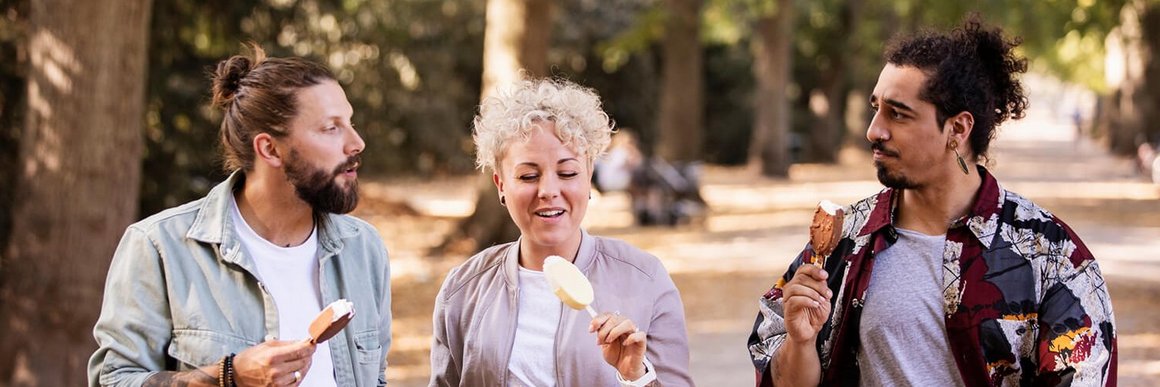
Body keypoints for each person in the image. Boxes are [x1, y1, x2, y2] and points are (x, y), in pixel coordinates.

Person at [747, 17, 1117, 386]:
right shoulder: (848, 240)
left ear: (958, 129)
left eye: (898, 114)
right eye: (876, 108)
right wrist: (800, 342)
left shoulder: (1051, 256)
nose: (874, 130)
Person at [88, 44, 391, 386]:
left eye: (349, 123)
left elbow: (375, 378)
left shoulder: (363, 248)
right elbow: (113, 381)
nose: (357, 143)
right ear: (269, 149)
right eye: (331, 128)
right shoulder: (160, 247)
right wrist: (227, 377)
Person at [429, 78, 693, 386]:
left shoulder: (645, 280)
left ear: (589, 176)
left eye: (567, 173)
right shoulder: (463, 290)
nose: (548, 190)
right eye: (528, 176)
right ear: (501, 185)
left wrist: (636, 376)